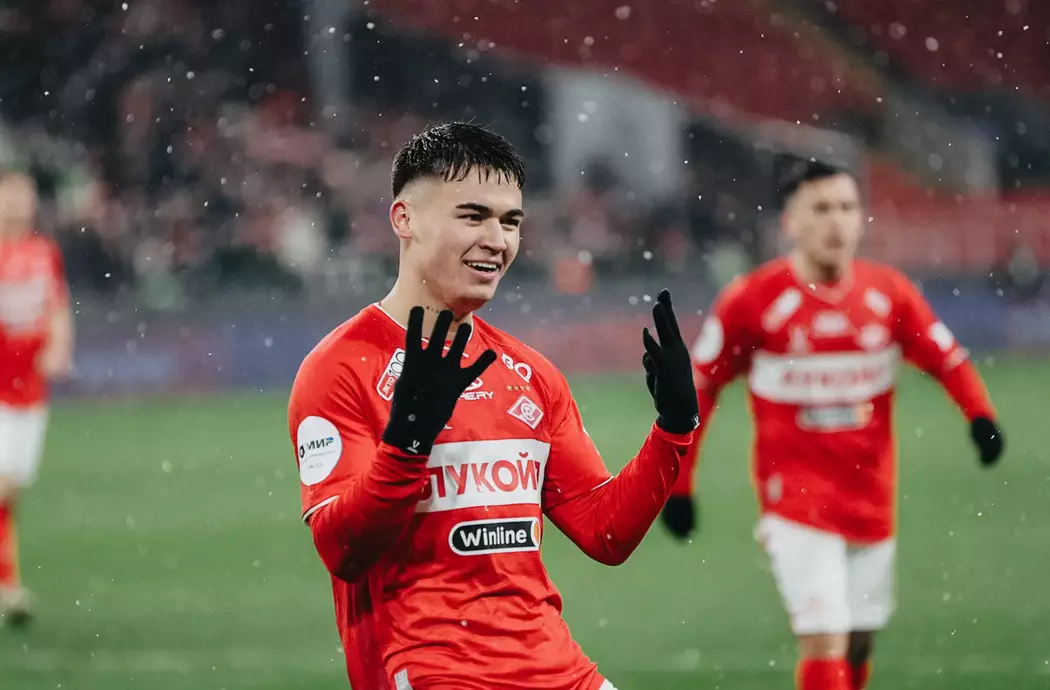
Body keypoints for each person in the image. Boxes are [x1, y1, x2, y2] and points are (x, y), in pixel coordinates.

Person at [287, 122, 700, 690]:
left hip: (558, 669)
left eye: (510, 222)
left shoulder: (529, 373)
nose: (497, 240)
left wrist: (673, 428)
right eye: (473, 216)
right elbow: (344, 550)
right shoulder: (342, 367)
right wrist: (407, 441)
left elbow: (604, 532)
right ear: (404, 219)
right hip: (434, 670)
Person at [660, 160, 1005, 690]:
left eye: (846, 207)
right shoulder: (752, 300)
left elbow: (947, 359)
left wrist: (980, 416)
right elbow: (700, 392)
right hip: (795, 501)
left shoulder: (888, 293)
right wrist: (680, 485)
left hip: (871, 497)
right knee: (824, 637)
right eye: (820, 209)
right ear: (790, 222)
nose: (836, 221)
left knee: (859, 639)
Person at [0, 171, 74, 626]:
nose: (17, 204)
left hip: (30, 390)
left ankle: (8, 584)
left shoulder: (43, 252)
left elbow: (58, 305)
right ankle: (9, 587)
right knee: (4, 485)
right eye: (10, 196)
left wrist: (59, 345)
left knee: (11, 493)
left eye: (24, 197)